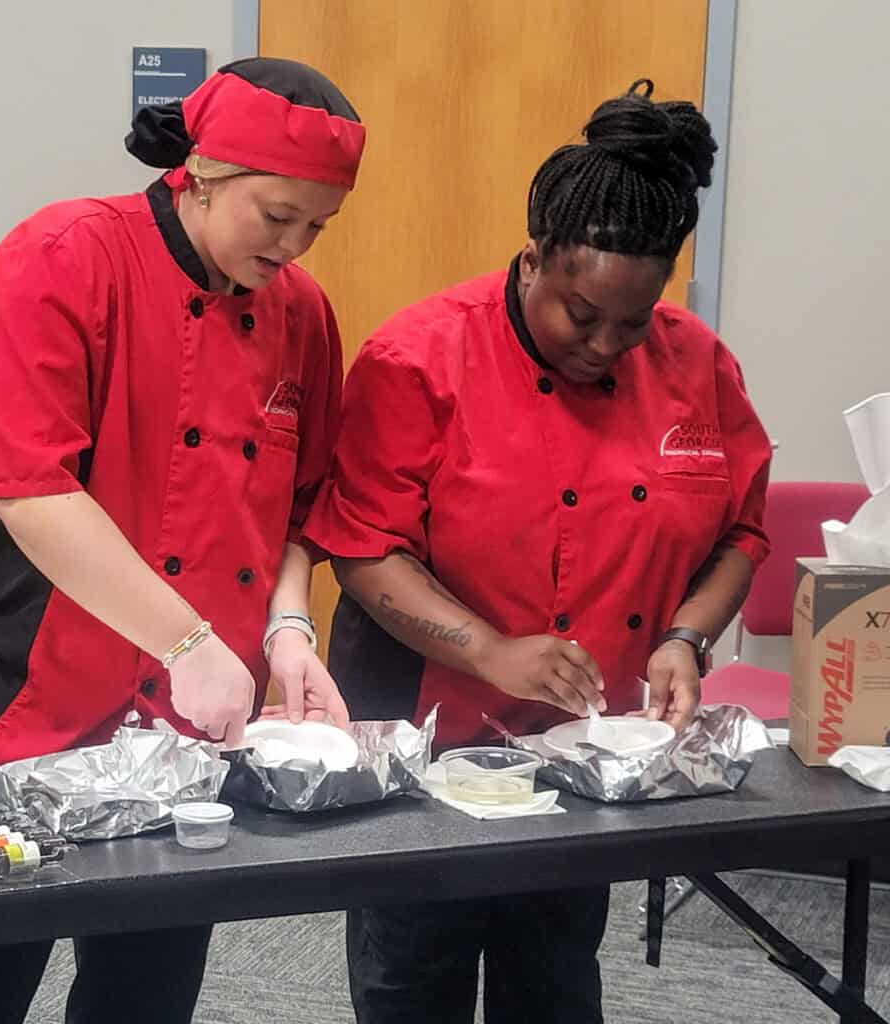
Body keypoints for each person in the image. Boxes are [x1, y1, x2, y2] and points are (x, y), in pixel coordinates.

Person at [0, 58, 364, 1024]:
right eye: (276, 216)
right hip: (25, 681)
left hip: (187, 710)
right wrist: (188, 639)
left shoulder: (304, 316)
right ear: (202, 171)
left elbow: (296, 511)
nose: (295, 245)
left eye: (317, 224)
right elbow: (29, 489)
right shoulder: (62, 257)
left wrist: (287, 632)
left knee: (150, 975)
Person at [304, 80, 771, 1023]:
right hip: (425, 733)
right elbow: (362, 550)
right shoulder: (418, 361)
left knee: (555, 977)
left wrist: (684, 637)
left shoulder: (697, 365)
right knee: (413, 978)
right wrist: (489, 651)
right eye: (581, 314)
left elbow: (739, 534)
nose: (606, 343)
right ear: (531, 261)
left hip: (580, 747)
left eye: (632, 322)